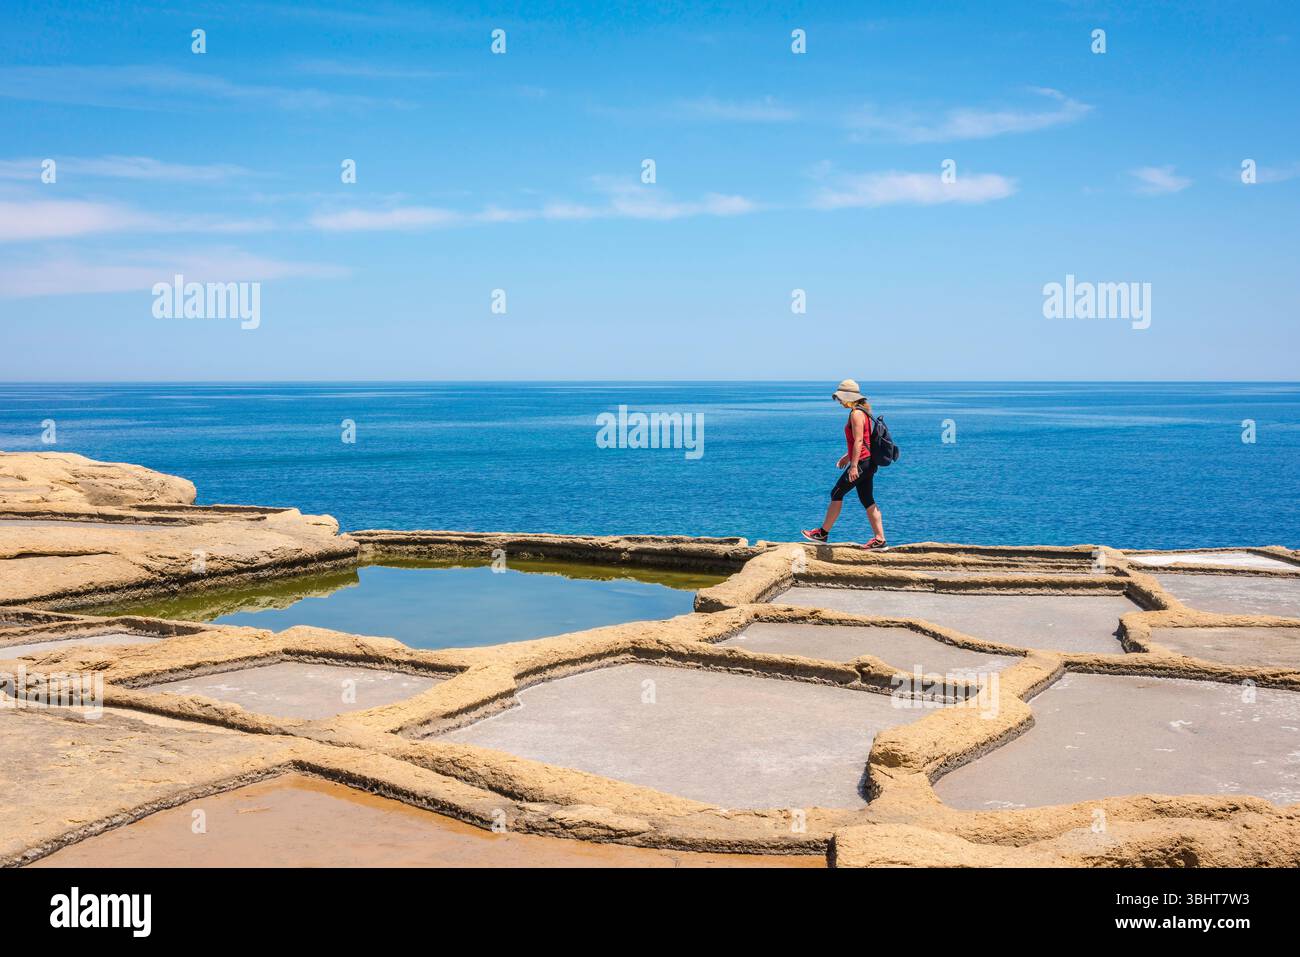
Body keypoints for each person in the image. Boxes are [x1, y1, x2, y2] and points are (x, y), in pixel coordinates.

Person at [802, 379, 887, 549]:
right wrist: (847, 457)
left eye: (840, 398)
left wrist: (854, 465)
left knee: (836, 492)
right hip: (869, 462)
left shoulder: (856, 413)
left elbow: (859, 441)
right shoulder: (863, 412)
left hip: (862, 463)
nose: (839, 401)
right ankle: (879, 539)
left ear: (848, 397)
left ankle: (822, 533)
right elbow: (863, 441)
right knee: (867, 499)